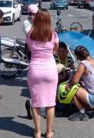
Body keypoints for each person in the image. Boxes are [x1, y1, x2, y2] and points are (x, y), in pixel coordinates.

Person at [26, 9, 58, 138]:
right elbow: (55, 50)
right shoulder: (53, 35)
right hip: (50, 69)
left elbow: (30, 49)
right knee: (50, 103)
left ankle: (38, 132)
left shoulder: (30, 34)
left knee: (36, 103)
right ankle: (49, 132)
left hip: (35, 70)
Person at [67, 45, 94, 121]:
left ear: (77, 57)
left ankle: (82, 112)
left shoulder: (83, 64)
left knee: (70, 88)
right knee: (87, 89)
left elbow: (75, 81)